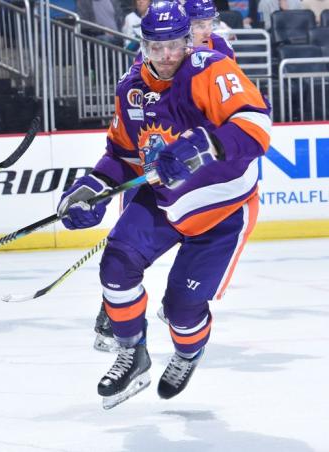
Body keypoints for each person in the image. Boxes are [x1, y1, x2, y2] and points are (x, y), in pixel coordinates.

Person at [57, 1, 270, 408]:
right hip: (164, 202)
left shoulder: (211, 69)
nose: (167, 56)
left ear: (188, 40)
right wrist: (91, 186)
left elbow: (256, 127)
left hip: (221, 209)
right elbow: (122, 155)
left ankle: (188, 353)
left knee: (182, 308)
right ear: (144, 45)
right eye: (157, 48)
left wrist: (203, 144)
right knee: (117, 264)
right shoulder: (131, 87)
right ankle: (131, 352)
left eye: (175, 45)